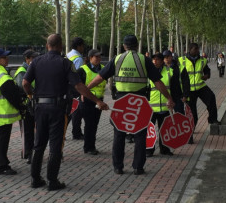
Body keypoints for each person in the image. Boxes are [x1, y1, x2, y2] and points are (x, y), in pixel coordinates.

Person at [22, 34, 109, 191]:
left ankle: (35, 179)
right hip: (58, 109)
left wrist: (32, 96)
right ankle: (52, 181)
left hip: (40, 108)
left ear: (47, 45)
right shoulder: (65, 63)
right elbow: (78, 86)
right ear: (61, 46)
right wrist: (97, 101)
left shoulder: (36, 62)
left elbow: (25, 83)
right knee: (56, 146)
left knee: (38, 144)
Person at [87, 35, 174, 175]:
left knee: (119, 134)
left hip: (122, 101)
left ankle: (118, 167)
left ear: (124, 46)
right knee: (140, 134)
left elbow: (100, 77)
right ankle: (138, 167)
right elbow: (158, 83)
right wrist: (169, 97)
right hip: (140, 101)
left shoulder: (117, 59)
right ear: (137, 45)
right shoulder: (143, 59)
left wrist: (87, 89)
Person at [0, 48, 25, 175]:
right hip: (4, 112)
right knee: (3, 139)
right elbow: (10, 93)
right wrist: (21, 106)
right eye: (4, 57)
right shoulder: (1, 74)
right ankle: (2, 165)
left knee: (2, 138)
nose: (7, 59)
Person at [146, 52, 181, 157]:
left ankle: (164, 149)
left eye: (157, 59)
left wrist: (174, 101)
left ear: (162, 61)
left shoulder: (170, 72)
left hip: (166, 105)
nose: (154, 61)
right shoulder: (147, 73)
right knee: (150, 130)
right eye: (153, 59)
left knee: (164, 129)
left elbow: (175, 89)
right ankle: (149, 150)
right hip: (151, 106)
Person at [179, 43, 219, 130]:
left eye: (198, 49)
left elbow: (207, 71)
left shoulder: (202, 60)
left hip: (201, 87)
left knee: (211, 98)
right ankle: (191, 131)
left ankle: (212, 119)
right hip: (188, 90)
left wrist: (206, 76)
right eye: (195, 49)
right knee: (192, 112)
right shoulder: (181, 60)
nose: (198, 51)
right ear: (190, 50)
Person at [77, 49, 105, 155]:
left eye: (99, 57)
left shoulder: (103, 69)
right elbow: (77, 86)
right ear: (90, 58)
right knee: (89, 124)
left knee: (95, 124)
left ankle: (91, 145)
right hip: (87, 101)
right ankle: (88, 147)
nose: (98, 59)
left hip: (99, 101)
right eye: (96, 57)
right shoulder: (82, 70)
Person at [14, 49, 38, 164]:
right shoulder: (22, 71)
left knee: (33, 130)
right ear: (27, 59)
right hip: (26, 105)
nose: (34, 60)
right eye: (32, 58)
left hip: (33, 104)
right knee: (27, 130)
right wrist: (33, 93)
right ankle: (27, 153)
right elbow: (22, 87)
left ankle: (32, 152)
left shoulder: (33, 69)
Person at [66, 37, 85, 140]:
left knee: (69, 111)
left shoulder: (68, 55)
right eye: (82, 46)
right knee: (76, 111)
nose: (83, 48)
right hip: (75, 88)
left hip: (67, 86)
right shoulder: (78, 58)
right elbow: (78, 76)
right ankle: (76, 133)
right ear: (79, 46)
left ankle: (63, 131)